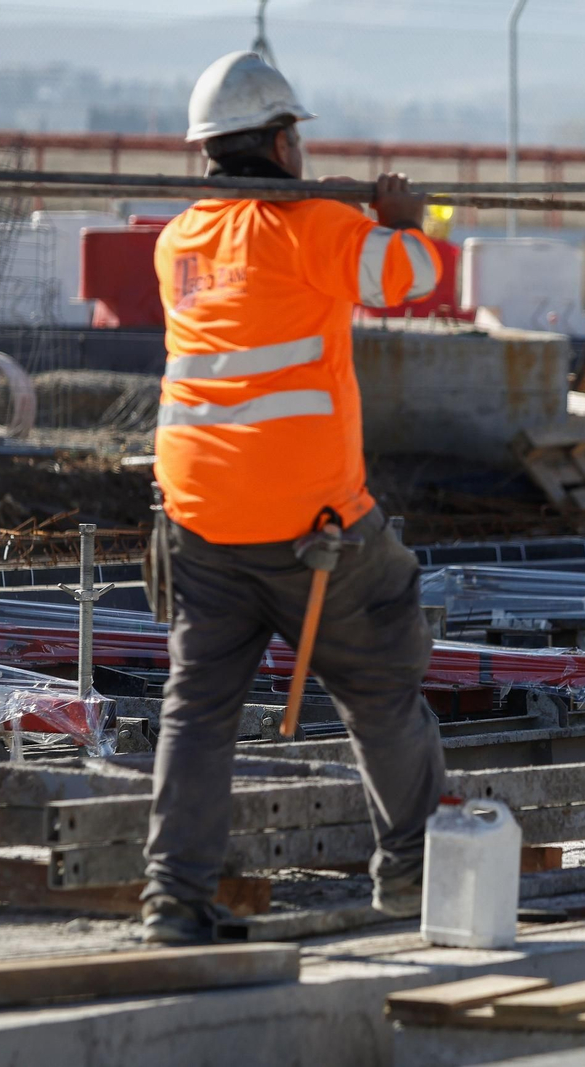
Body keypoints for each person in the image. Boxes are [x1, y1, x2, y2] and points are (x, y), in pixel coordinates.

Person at [140, 51, 446, 943]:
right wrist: (403, 220)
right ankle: (415, 873)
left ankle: (173, 898)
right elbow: (410, 279)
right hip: (316, 533)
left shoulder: (178, 242)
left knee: (195, 712)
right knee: (384, 684)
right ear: (282, 142)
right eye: (297, 139)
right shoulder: (313, 227)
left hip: (197, 520)